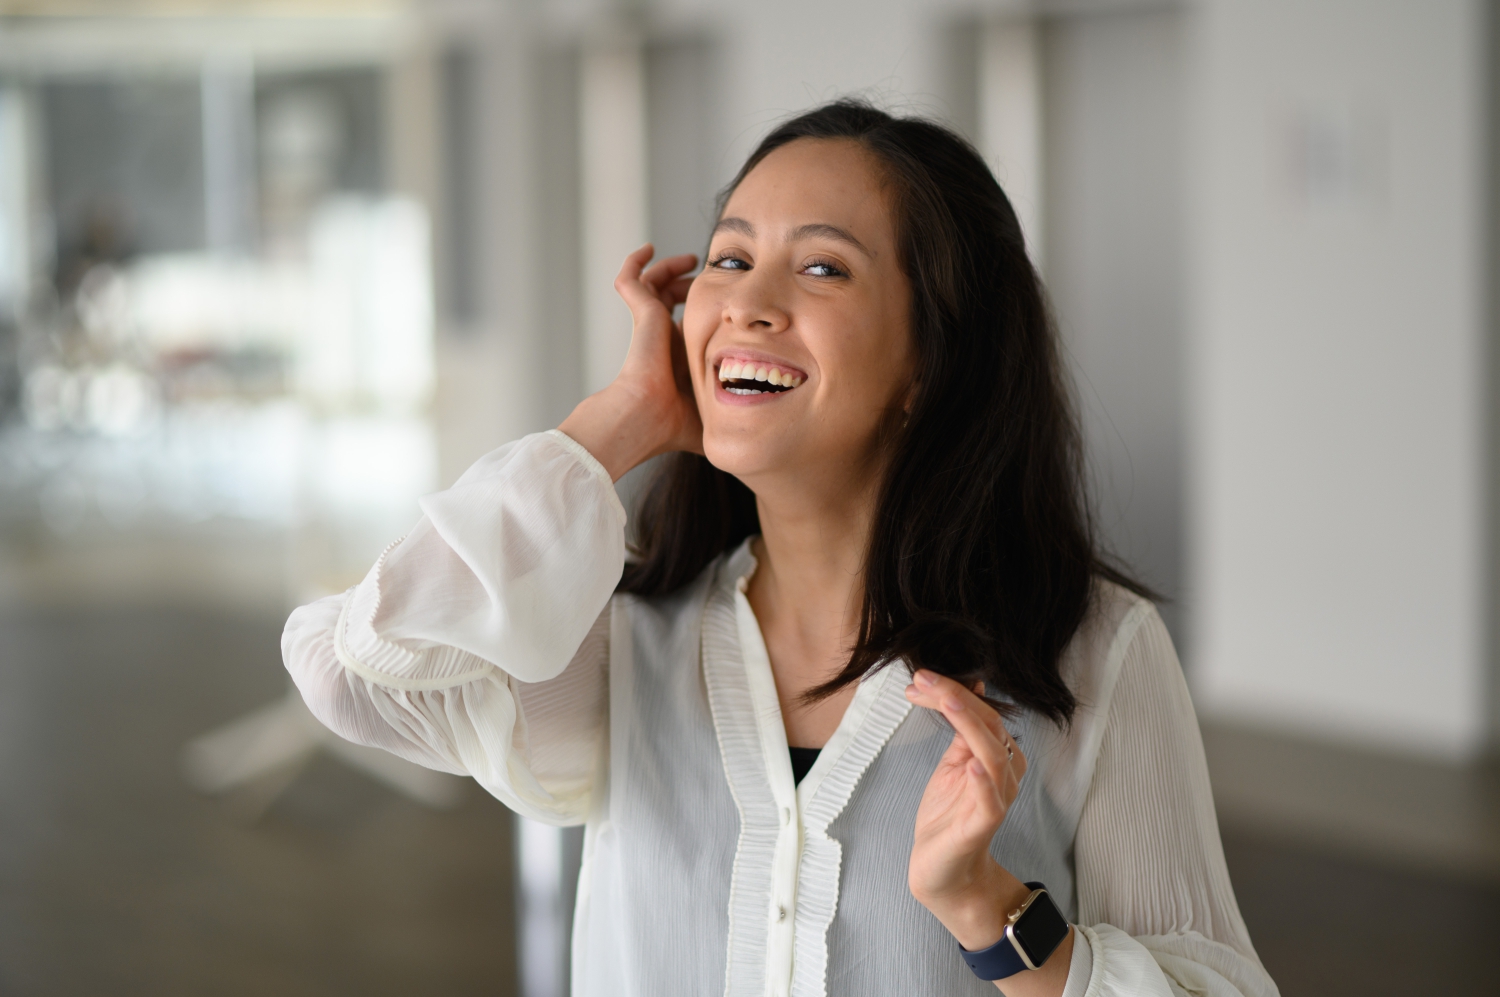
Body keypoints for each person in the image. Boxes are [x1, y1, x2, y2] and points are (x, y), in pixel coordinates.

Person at [282, 101, 1278, 997]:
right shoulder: (623, 640)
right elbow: (350, 673)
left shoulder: (1091, 648)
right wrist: (613, 426)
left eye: (821, 266)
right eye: (727, 258)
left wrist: (991, 914)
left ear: (930, 360)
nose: (748, 303)